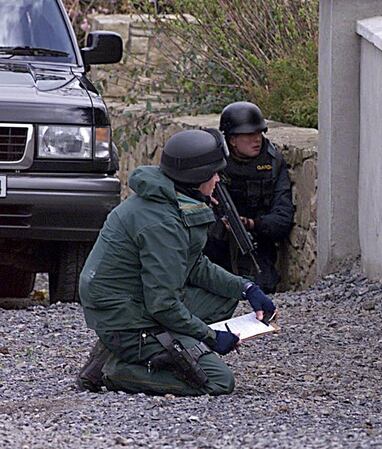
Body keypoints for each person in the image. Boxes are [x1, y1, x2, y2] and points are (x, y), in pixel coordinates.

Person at [76, 129, 277, 396]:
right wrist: (211, 338)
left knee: (224, 297)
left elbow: (194, 265)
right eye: (214, 173)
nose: (218, 179)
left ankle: (140, 348)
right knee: (219, 381)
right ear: (195, 178)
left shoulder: (172, 200)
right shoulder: (162, 222)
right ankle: (114, 369)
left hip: (132, 305)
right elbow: (163, 303)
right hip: (126, 319)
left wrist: (246, 289)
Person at [204, 101, 294, 294]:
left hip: (256, 240)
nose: (257, 140)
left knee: (264, 284)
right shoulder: (213, 162)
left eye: (259, 133)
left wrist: (251, 224)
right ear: (232, 139)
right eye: (249, 135)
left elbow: (283, 217)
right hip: (216, 241)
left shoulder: (273, 163)